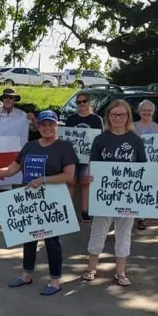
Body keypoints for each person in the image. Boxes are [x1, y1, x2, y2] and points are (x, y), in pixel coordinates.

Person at [0, 110, 78, 295]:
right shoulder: (30, 146)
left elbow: (69, 175)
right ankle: (26, 275)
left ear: (56, 126)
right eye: (43, 124)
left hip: (52, 200)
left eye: (50, 124)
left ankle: (55, 280)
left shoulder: (64, 147)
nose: (47, 128)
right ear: (37, 127)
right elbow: (10, 170)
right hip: (29, 199)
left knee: (52, 241)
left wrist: (44, 180)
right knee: (28, 238)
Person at [81, 99, 158, 286]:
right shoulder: (100, 139)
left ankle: (120, 271)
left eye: (121, 114)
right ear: (108, 117)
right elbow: (93, 166)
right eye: (113, 114)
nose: (117, 118)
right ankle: (91, 267)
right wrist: (89, 178)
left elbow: (144, 169)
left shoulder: (135, 140)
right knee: (99, 230)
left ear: (128, 116)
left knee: (124, 233)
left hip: (128, 197)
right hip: (105, 196)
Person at [0, 88, 36, 219]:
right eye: (5, 97)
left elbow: (35, 129)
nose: (8, 99)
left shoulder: (21, 115)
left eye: (11, 97)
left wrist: (34, 119)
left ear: (14, 100)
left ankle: (16, 209)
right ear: (2, 99)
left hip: (16, 151)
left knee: (16, 181)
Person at [64, 92, 104, 223]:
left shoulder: (96, 120)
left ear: (89, 102)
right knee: (70, 183)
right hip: (72, 157)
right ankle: (68, 212)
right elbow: (66, 137)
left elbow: (100, 139)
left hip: (88, 157)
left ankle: (85, 211)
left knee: (85, 183)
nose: (82, 104)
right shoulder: (71, 119)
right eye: (79, 102)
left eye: (84, 101)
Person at [133, 99, 158, 230]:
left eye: (149, 110)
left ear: (153, 112)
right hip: (134, 164)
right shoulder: (132, 126)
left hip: (151, 165)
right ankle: (128, 216)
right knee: (133, 189)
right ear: (139, 112)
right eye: (144, 110)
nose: (146, 112)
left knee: (144, 191)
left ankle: (141, 218)